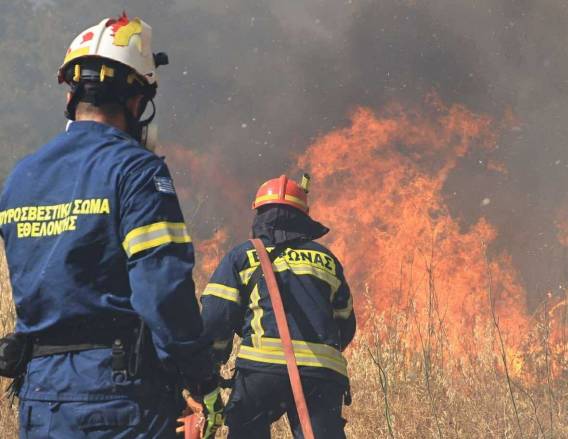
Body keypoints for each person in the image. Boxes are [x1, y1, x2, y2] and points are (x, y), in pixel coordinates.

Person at [0, 13, 218, 438]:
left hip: (41, 398)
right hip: (119, 397)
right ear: (137, 102)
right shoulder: (136, 171)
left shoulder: (20, 178)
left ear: (71, 97)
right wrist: (200, 374)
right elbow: (162, 292)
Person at [200, 174, 356, 438]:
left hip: (261, 372)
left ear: (260, 213)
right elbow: (345, 323)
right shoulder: (326, 259)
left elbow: (216, 316)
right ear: (303, 216)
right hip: (321, 374)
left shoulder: (243, 255)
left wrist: (211, 364)